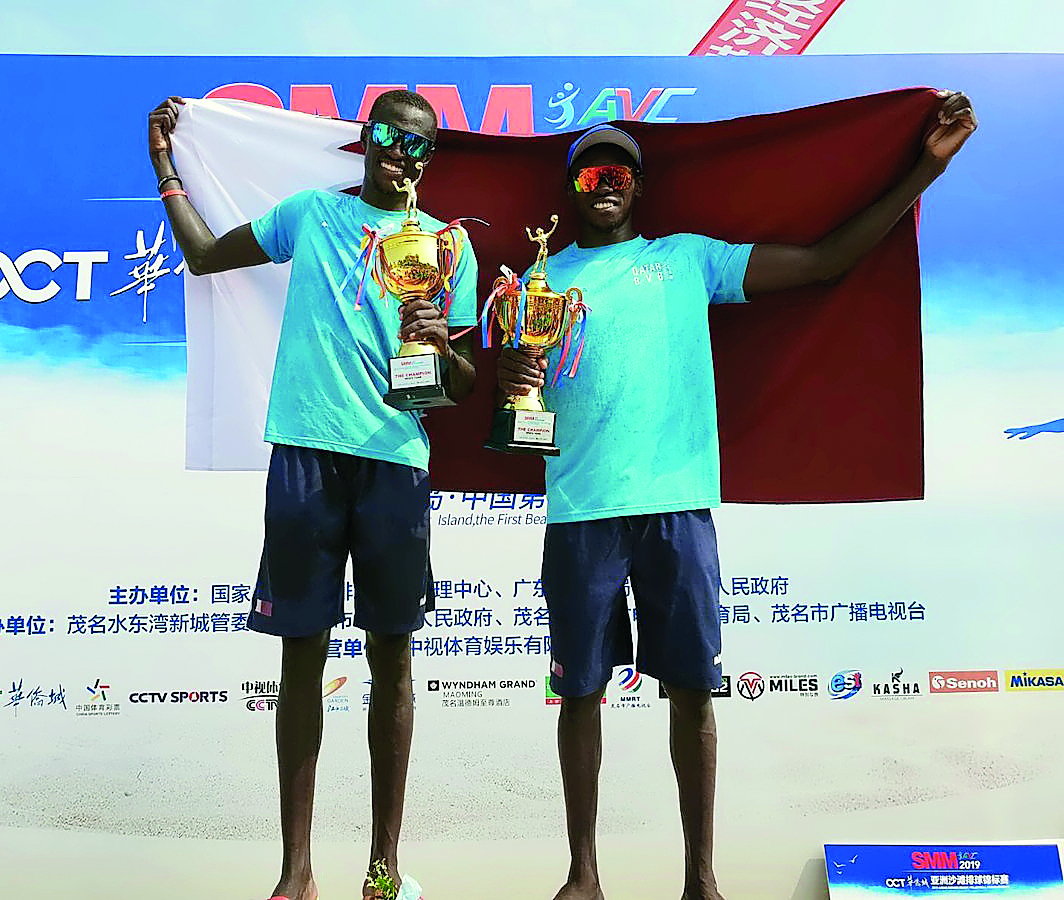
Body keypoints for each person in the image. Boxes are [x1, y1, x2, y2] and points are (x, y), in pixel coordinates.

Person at [496, 91, 977, 900]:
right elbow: (517, 415)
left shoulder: (688, 259)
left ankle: (701, 878)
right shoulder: (535, 286)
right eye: (589, 174)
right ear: (571, 191)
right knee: (578, 694)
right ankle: (583, 876)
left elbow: (825, 261)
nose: (605, 183)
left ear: (639, 188)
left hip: (678, 506)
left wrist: (922, 170)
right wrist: (515, 381)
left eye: (620, 171)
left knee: (692, 695)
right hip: (578, 511)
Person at [148, 89, 479, 900]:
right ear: (363, 141)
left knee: (392, 660)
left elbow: (456, 391)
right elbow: (203, 256)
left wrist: (438, 346)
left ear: (431, 158)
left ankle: (383, 864)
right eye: (390, 137)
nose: (403, 153)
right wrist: (165, 168)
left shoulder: (447, 249)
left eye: (419, 146)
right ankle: (297, 870)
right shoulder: (310, 216)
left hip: (395, 460)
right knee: (303, 656)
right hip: (305, 454)